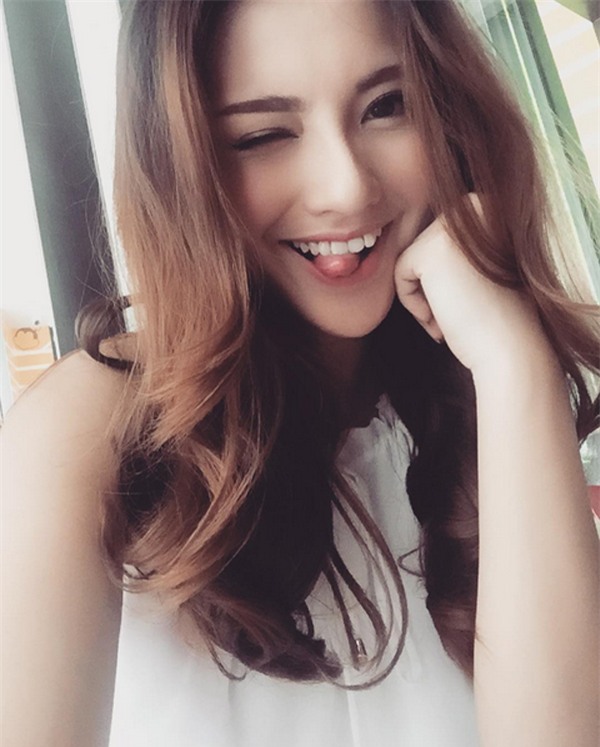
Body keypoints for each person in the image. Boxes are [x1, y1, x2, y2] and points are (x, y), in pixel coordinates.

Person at [2, 1, 599, 745]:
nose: (345, 187)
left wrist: (515, 364)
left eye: (386, 106)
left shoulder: (479, 395)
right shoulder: (91, 432)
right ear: (183, 170)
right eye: (263, 135)